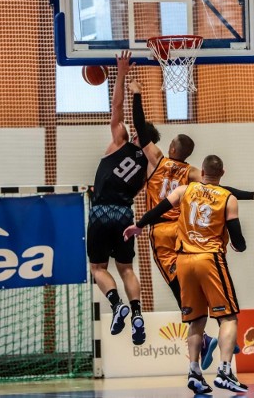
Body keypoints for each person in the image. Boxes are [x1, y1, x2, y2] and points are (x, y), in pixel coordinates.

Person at [129, 79, 254, 369]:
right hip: (184, 234)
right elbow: (222, 188)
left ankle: (209, 337)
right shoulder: (193, 172)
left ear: (170, 146)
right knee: (198, 283)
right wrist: (253, 196)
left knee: (182, 289)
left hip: (161, 230)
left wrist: (136, 96)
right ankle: (219, 333)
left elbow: (141, 128)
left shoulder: (156, 158)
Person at [124, 155, 249, 394]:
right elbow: (239, 240)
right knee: (228, 317)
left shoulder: (185, 189)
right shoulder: (228, 198)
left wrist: (138, 225)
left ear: (201, 172)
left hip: (183, 260)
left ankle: (194, 372)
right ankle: (224, 370)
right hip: (209, 259)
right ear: (222, 173)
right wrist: (237, 245)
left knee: (196, 320)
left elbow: (158, 210)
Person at [87, 51, 160, 346]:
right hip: (124, 216)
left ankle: (117, 305)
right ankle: (137, 313)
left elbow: (116, 106)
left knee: (98, 269)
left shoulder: (119, 140)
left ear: (134, 136)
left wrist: (121, 73)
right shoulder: (151, 165)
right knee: (127, 268)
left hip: (101, 211)